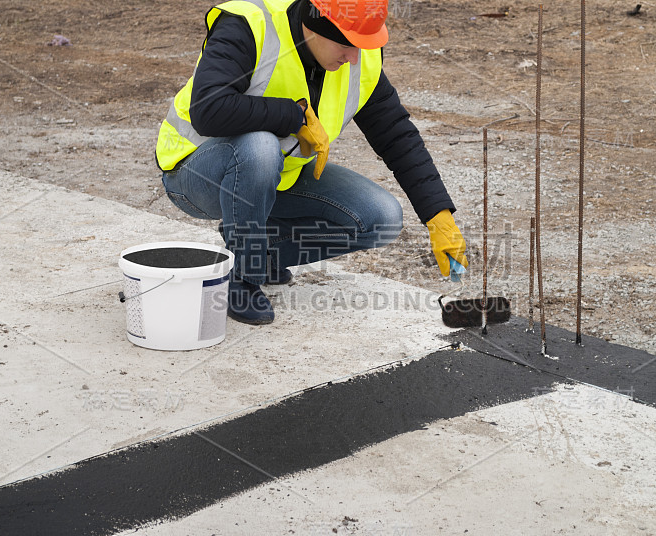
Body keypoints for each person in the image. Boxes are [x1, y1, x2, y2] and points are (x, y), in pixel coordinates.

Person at [156, 0, 468, 325]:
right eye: (347, 43)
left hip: (274, 179)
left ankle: (260, 250)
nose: (354, 57)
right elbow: (209, 110)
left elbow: (396, 135)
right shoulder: (250, 25)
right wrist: (293, 116)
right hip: (194, 175)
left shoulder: (359, 57)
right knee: (261, 145)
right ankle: (243, 279)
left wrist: (437, 216)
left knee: (382, 217)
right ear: (314, 23)